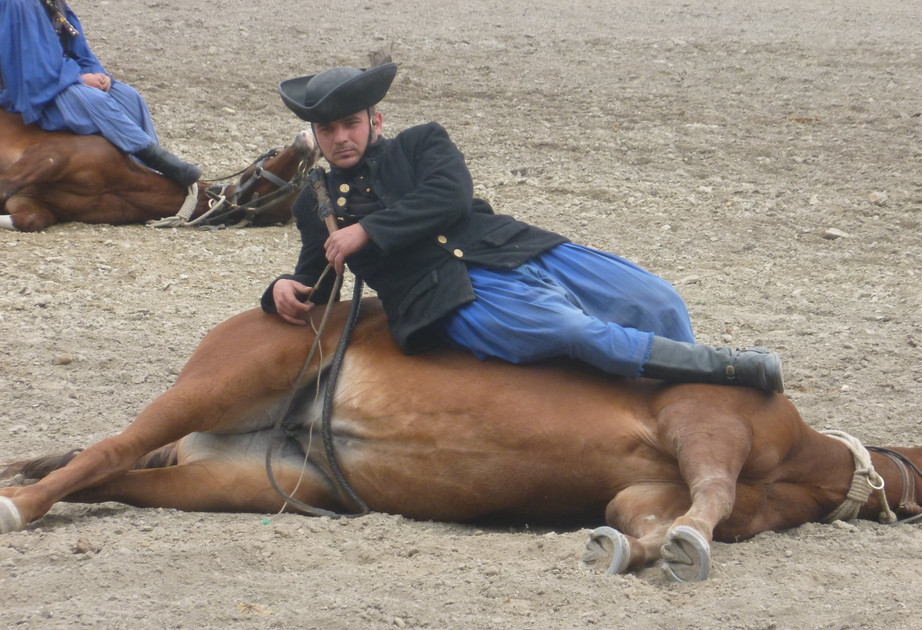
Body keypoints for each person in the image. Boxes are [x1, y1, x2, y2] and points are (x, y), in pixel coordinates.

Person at [261, 63, 783, 393]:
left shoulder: (421, 143)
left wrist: (368, 232)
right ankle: (728, 370)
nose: (340, 138)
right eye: (327, 129)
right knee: (574, 331)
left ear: (374, 121)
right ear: (316, 135)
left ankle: (691, 398)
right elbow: (318, 276)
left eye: (350, 123)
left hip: (515, 249)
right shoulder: (318, 202)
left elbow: (449, 197)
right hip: (447, 300)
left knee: (658, 299)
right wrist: (282, 289)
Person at [0, 0, 200, 188]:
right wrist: (79, 79)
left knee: (128, 96)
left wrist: (98, 75)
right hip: (25, 91)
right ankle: (160, 160)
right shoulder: (19, 4)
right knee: (94, 100)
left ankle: (149, 171)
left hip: (59, 77)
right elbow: (31, 67)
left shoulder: (54, 3)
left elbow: (80, 50)